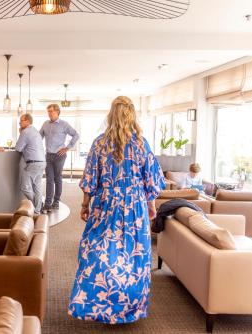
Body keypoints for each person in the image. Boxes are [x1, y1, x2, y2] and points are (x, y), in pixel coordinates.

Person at [68, 96, 165, 324]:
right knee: (133, 257)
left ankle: (101, 305)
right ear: (132, 115)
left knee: (99, 251)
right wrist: (150, 206)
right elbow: (151, 182)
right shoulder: (142, 144)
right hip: (135, 207)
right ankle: (129, 308)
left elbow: (90, 179)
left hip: (106, 205)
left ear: (111, 115)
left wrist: (85, 205)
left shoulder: (99, 143)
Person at [39, 104, 79, 213]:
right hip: (48, 155)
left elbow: (76, 135)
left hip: (59, 155)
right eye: (48, 111)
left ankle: (56, 201)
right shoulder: (45, 124)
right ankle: (47, 203)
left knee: (57, 178)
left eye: (51, 111)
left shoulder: (64, 124)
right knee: (49, 179)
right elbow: (39, 137)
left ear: (57, 112)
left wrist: (67, 148)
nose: (49, 113)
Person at [15, 113, 46, 214]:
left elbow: (18, 148)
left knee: (24, 187)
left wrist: (21, 133)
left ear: (27, 121)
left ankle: (37, 205)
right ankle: (38, 209)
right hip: (42, 162)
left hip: (33, 163)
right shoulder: (35, 131)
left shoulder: (26, 132)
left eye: (21, 121)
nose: (19, 123)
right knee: (37, 186)